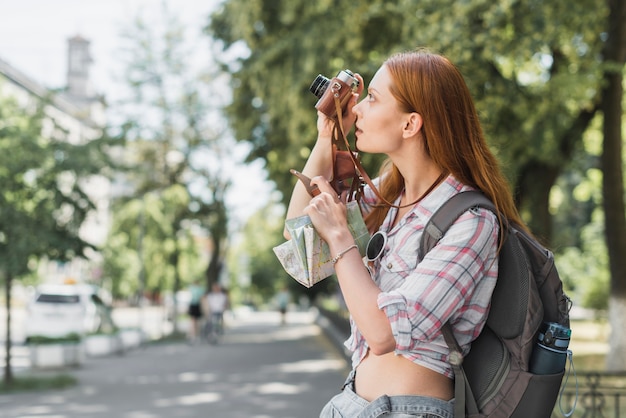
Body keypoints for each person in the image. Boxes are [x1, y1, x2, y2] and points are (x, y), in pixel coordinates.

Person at [284, 48, 528, 418]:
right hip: (351, 403)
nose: (359, 108)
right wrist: (326, 138)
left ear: (410, 124)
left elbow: (384, 333)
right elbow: (300, 236)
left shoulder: (473, 221)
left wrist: (340, 238)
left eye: (373, 98)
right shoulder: (390, 195)